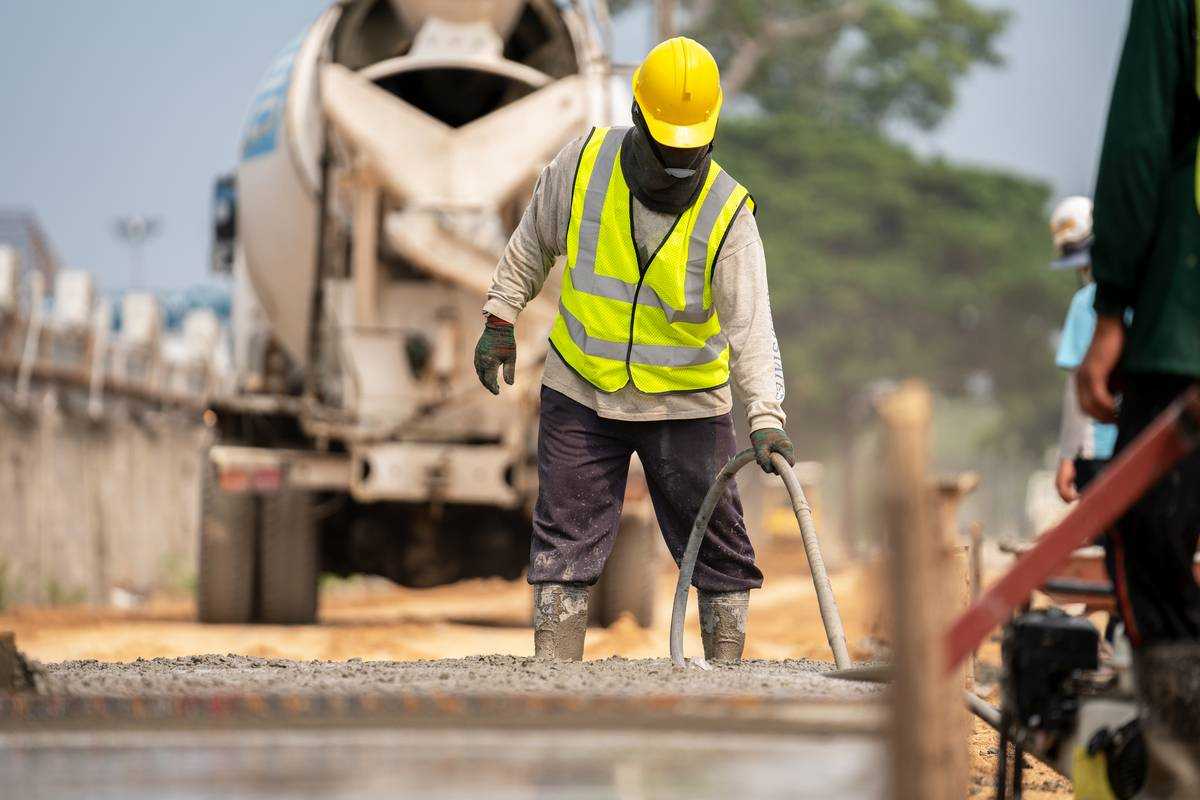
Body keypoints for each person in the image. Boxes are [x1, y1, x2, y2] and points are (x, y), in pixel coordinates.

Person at [473, 37, 791, 663]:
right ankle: (552, 675)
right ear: (638, 120)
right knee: (565, 539)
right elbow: (533, 239)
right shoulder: (584, 164)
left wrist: (767, 418)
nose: (677, 164)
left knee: (720, 547)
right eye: (665, 148)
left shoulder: (728, 214)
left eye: (689, 150)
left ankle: (727, 674)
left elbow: (753, 329)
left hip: (686, 405)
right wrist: (501, 316)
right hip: (582, 388)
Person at [1077, 1, 1200, 794]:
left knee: (1148, 541)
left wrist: (1114, 305)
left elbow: (1138, 144)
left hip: (1183, 326)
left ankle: (1179, 773)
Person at [1048, 196, 1118, 503]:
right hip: (1148, 443)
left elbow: (1077, 388)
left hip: (1097, 450)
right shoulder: (1143, 297)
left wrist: (1066, 456)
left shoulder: (1084, 303)